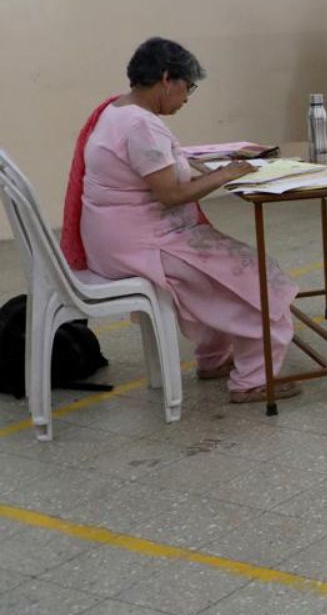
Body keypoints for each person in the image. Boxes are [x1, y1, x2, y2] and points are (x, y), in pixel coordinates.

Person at [65, 38, 301, 404]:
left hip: (115, 238)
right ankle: (253, 379)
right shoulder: (140, 126)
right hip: (142, 243)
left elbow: (152, 173)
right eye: (187, 87)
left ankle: (214, 359)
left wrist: (198, 168)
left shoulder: (116, 109)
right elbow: (170, 195)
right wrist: (226, 174)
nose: (187, 98)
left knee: (220, 276)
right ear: (166, 79)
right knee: (255, 278)